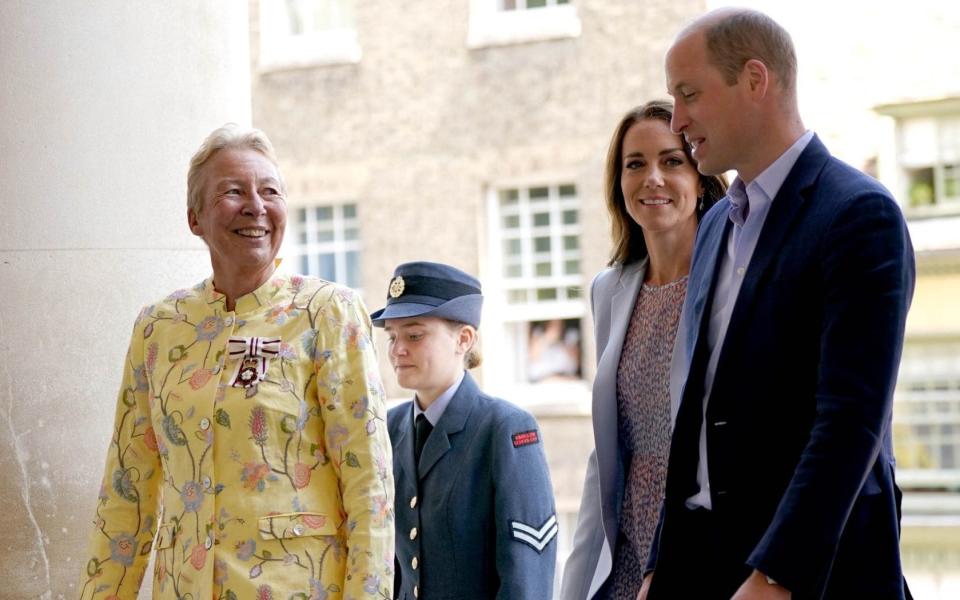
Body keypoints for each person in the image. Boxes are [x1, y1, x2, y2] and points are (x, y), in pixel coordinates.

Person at [640, 8, 915, 599]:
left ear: (755, 80)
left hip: (810, 574)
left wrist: (775, 576)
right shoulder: (713, 224)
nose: (677, 119)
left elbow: (851, 420)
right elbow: (697, 409)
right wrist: (660, 566)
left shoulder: (858, 215)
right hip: (703, 565)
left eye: (689, 94)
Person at [79, 124, 394, 599]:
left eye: (270, 191)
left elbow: (370, 487)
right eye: (233, 192)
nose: (256, 206)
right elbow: (127, 493)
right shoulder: (157, 328)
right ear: (195, 218)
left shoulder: (328, 313)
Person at [560, 101, 727, 599]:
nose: (652, 177)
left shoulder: (730, 277)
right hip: (625, 557)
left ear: (701, 179)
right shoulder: (608, 290)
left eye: (672, 161)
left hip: (703, 551)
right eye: (635, 164)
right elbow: (605, 456)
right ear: (619, 184)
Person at [372, 261, 558, 599]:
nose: (398, 349)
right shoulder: (389, 427)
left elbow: (526, 579)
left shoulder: (505, 429)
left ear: (464, 339)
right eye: (392, 336)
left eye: (414, 335)